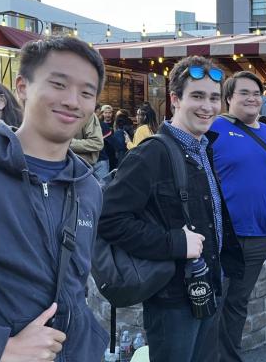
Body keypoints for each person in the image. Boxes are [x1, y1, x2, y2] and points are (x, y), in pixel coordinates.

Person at [98, 56, 244, 362]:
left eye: (214, 98)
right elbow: (108, 220)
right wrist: (175, 242)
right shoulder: (151, 154)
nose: (208, 106)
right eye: (198, 96)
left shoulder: (203, 147)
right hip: (173, 299)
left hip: (209, 284)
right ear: (175, 99)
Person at [0, 36, 109, 361]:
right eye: (59, 84)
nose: (73, 101)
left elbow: (75, 284)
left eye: (86, 92)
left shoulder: (88, 187)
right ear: (21, 87)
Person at [209, 71, 266, 361]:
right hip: (219, 238)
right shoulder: (213, 129)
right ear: (229, 98)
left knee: (237, 304)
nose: (252, 98)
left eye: (257, 93)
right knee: (212, 304)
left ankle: (229, 358)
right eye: (244, 92)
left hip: (257, 236)